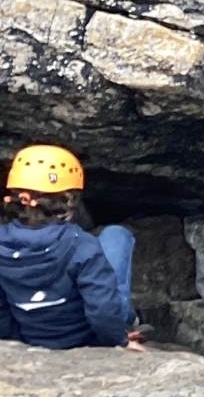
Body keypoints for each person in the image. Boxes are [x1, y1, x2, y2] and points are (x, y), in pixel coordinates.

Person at [0, 144, 141, 351]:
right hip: (86, 339)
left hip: (30, 336)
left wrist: (15, 341)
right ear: (68, 200)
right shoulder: (81, 244)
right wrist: (120, 340)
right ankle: (130, 319)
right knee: (116, 235)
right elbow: (102, 309)